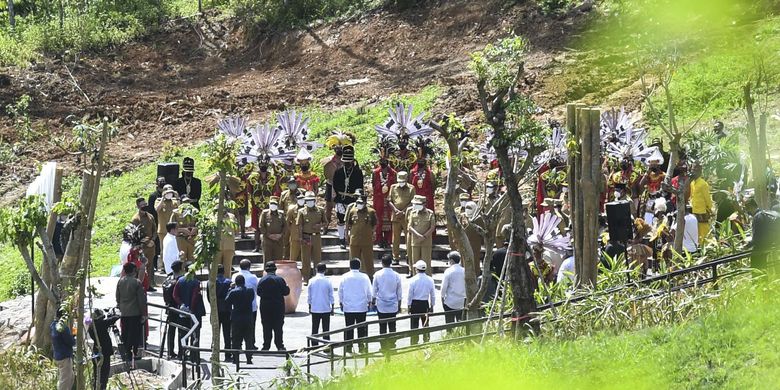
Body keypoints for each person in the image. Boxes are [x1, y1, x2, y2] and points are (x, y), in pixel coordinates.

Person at [173, 262, 206, 363]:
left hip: (182, 311)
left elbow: (175, 295)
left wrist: (182, 304)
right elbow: (195, 297)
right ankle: (194, 355)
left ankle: (181, 354)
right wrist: (190, 308)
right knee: (195, 334)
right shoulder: (196, 282)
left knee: (182, 333)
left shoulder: (180, 280)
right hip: (194, 312)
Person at [333, 145, 364, 248]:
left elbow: (360, 186)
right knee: (341, 219)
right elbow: (335, 186)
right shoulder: (338, 172)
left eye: (349, 162)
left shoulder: (358, 172)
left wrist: (357, 194)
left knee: (353, 220)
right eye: (345, 162)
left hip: (353, 199)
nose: (347, 164)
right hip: (341, 199)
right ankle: (342, 239)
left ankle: (352, 239)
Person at [339, 258, 372, 353]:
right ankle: (361, 347)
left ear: (350, 266)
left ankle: (348, 347)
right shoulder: (364, 277)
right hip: (361, 307)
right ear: (360, 266)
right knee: (361, 328)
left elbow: (340, 291)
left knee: (348, 328)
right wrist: (370, 301)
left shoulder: (344, 277)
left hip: (348, 306)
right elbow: (369, 291)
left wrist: (341, 302)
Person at [116, 262, 147, 360]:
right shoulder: (136, 282)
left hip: (124, 312)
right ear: (134, 271)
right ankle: (134, 352)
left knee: (125, 332)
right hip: (135, 312)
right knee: (134, 334)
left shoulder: (120, 281)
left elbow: (117, 296)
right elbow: (141, 300)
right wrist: (144, 314)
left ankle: (125, 351)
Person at [256, 261, 290, 351]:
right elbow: (286, 292)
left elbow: (258, 292)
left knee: (266, 326)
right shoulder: (280, 280)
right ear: (275, 269)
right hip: (278, 306)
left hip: (265, 306)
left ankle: (266, 346)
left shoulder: (262, 280)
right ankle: (280, 345)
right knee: (278, 326)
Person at [372, 254, 402, 347]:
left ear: (382, 263)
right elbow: (399, 291)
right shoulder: (396, 275)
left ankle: (383, 345)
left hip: (381, 304)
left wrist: (373, 302)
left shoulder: (377, 274)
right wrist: (399, 304)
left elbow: (374, 290)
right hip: (393, 304)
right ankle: (392, 344)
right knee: (392, 325)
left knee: (382, 326)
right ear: (391, 263)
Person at [225, 274, 256, 364]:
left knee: (236, 339)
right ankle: (249, 358)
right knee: (248, 339)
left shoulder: (233, 292)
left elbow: (227, 301)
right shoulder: (250, 291)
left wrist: (230, 289)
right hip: (248, 317)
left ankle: (235, 358)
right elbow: (252, 299)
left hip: (237, 318)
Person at [298, 191, 328, 282]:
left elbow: (326, 223)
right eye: (307, 200)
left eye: (311, 200)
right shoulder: (301, 211)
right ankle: (306, 278)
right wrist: (300, 237)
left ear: (314, 200)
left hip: (316, 236)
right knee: (305, 259)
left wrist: (320, 226)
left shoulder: (320, 210)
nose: (309, 202)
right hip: (306, 236)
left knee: (317, 258)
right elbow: (299, 225)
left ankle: (318, 277)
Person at [372, 142, 397, 247]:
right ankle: (379, 239)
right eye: (381, 160)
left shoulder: (393, 173)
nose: (382, 162)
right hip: (378, 200)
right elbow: (373, 186)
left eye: (384, 160)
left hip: (389, 200)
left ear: (388, 161)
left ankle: (387, 240)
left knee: (389, 221)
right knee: (378, 219)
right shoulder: (375, 172)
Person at [345, 196, 378, 277]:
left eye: (361, 203)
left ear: (365, 203)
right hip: (355, 240)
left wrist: (373, 232)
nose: (359, 205)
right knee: (353, 261)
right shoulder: (352, 211)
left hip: (366, 240)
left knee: (368, 261)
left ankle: (370, 278)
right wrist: (346, 234)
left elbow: (375, 224)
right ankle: (353, 277)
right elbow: (348, 224)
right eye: (358, 203)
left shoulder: (371, 212)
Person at [88, 308, 119, 390]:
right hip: (104, 353)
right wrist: (116, 315)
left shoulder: (91, 327)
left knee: (96, 375)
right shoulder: (100, 325)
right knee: (104, 376)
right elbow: (112, 319)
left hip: (96, 352)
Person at [389, 171, 415, 263]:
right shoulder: (393, 187)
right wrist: (395, 210)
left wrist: (403, 211)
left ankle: (409, 257)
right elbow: (389, 200)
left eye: (402, 181)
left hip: (407, 217)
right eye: (399, 181)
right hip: (396, 216)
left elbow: (413, 202)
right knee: (395, 239)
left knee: (408, 238)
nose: (401, 183)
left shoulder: (411, 188)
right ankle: (395, 257)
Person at [233, 259, 259, 352]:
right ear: (249, 267)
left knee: (237, 327)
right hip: (251, 306)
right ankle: (251, 344)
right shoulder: (253, 277)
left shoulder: (234, 276)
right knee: (251, 326)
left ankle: (238, 345)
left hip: (236, 307)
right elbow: (256, 289)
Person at [207, 264, 232, 361]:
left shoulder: (211, 282)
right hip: (226, 310)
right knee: (227, 334)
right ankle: (228, 355)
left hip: (215, 309)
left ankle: (214, 353)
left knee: (215, 334)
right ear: (224, 271)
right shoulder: (229, 282)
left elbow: (209, 298)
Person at [131, 197, 157, 289]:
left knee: (150, 266)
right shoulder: (135, 219)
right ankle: (138, 284)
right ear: (138, 207)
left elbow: (154, 230)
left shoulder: (150, 216)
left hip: (151, 245)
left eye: (145, 204)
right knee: (140, 266)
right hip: (141, 246)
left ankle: (149, 285)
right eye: (142, 205)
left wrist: (152, 240)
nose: (145, 206)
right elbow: (135, 234)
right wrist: (146, 242)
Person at [407, 260, 435, 345]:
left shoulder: (413, 280)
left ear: (416, 269)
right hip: (424, 303)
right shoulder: (430, 280)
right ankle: (426, 340)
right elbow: (432, 294)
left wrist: (409, 305)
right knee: (425, 323)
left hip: (415, 304)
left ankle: (414, 342)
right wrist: (432, 305)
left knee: (414, 324)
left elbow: (410, 294)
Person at [406, 195, 435, 275]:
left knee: (426, 261)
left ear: (424, 204)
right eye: (415, 204)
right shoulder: (412, 213)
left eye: (417, 204)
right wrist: (418, 235)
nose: (415, 206)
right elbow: (409, 226)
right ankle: (415, 276)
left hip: (426, 242)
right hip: (415, 241)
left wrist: (424, 236)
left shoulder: (430, 213)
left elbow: (432, 227)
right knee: (415, 260)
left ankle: (427, 277)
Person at [308, 262, 334, 346]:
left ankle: (314, 346)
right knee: (326, 329)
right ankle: (326, 346)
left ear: (316, 270)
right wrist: (332, 306)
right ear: (325, 270)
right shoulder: (328, 281)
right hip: (325, 308)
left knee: (315, 328)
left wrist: (310, 306)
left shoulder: (311, 281)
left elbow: (309, 295)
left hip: (315, 308)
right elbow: (331, 295)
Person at [162, 260, 184, 359]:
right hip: (178, 308)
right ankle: (181, 352)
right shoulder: (180, 280)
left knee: (171, 330)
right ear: (180, 268)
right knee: (181, 330)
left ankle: (170, 351)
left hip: (169, 307)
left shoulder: (168, 279)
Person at [155, 185, 179, 269]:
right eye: (167, 192)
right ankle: (162, 267)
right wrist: (163, 198)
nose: (169, 193)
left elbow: (180, 209)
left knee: (174, 248)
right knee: (163, 249)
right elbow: (157, 209)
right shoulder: (158, 201)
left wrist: (177, 197)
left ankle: (174, 265)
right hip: (163, 229)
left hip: (173, 230)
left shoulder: (174, 201)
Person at [52, 306, 75, 390]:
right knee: (65, 381)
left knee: (70, 377)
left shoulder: (53, 325)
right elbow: (70, 341)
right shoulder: (63, 328)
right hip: (64, 356)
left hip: (58, 355)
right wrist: (73, 338)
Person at [690, 163, 714, 243]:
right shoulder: (692, 183)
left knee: (704, 229)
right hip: (694, 210)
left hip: (702, 210)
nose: (693, 172)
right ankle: (700, 244)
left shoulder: (703, 184)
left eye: (695, 170)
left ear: (700, 172)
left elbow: (707, 198)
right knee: (697, 229)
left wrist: (710, 209)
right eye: (692, 170)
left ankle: (708, 244)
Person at [170, 196, 198, 262]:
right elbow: (171, 227)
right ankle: (181, 271)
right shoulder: (176, 213)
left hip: (192, 238)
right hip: (181, 238)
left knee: (192, 258)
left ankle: (192, 272)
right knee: (182, 258)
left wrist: (195, 229)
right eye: (184, 202)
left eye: (188, 202)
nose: (186, 204)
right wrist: (182, 230)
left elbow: (199, 224)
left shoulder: (195, 212)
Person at [146, 176, 166, 273]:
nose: (162, 183)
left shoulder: (169, 195)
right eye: (160, 181)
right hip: (156, 223)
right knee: (156, 245)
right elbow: (151, 211)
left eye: (163, 181)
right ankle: (154, 265)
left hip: (166, 223)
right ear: (156, 183)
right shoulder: (153, 196)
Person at [441, 251, 466, 323]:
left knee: (449, 325)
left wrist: (442, 299)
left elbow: (443, 288)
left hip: (450, 302)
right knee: (461, 324)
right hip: (462, 302)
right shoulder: (464, 271)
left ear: (451, 260)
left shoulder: (448, 271)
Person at [259, 196, 286, 263]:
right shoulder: (265, 213)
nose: (273, 206)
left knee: (278, 259)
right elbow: (261, 226)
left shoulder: (281, 214)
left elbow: (285, 226)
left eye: (274, 204)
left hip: (279, 240)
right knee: (267, 260)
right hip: (267, 240)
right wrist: (269, 235)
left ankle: (278, 273)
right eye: (271, 204)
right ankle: (267, 273)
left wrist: (280, 235)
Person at [279, 176, 300, 258]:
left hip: (297, 220)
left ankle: (297, 257)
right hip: (286, 221)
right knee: (286, 240)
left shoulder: (301, 193)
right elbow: (280, 208)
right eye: (290, 183)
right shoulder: (283, 194)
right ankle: (286, 257)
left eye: (294, 183)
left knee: (297, 240)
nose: (292, 185)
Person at [217, 207, 237, 274]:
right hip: (216, 247)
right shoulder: (213, 216)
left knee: (227, 269)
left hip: (229, 246)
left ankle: (227, 283)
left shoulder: (232, 216)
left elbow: (236, 229)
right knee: (216, 268)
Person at [287, 193, 305, 263]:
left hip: (306, 235)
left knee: (306, 257)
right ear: (296, 200)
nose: (301, 201)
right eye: (300, 199)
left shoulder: (308, 209)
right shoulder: (291, 209)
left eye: (303, 199)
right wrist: (292, 230)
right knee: (293, 257)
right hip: (295, 236)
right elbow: (287, 222)